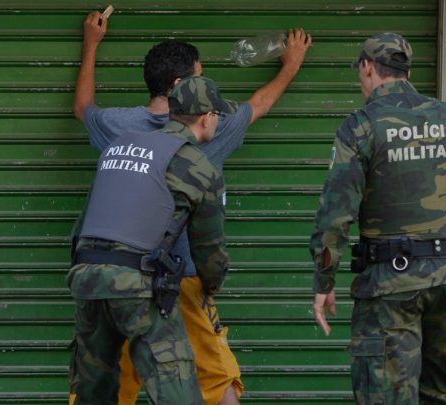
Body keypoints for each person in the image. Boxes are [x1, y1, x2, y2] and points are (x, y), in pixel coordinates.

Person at [72, 10, 311, 405]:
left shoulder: (119, 133)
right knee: (201, 382)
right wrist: (292, 66)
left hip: (94, 274)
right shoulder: (199, 149)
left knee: (102, 385)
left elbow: (83, 108)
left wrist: (91, 45)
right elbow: (210, 247)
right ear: (191, 96)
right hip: (166, 280)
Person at [309, 33, 446, 404]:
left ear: (367, 67)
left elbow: (335, 215)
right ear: (407, 70)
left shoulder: (362, 126)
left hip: (389, 287)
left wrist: (324, 280)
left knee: (387, 396)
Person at [68, 75, 234, 404]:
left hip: (86, 279)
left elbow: (84, 222)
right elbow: (209, 251)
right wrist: (210, 288)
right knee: (177, 387)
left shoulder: (120, 145)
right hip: (135, 282)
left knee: (96, 393)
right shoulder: (197, 164)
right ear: (207, 117)